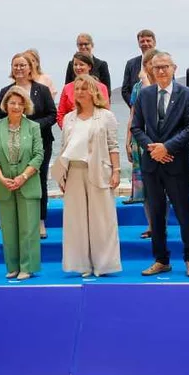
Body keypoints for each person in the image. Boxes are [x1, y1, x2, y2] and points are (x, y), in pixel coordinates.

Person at [131, 51, 189, 277]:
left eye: (165, 66)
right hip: (152, 164)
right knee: (157, 213)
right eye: (157, 67)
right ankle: (161, 259)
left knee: (184, 213)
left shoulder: (187, 94)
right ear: (151, 69)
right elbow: (136, 127)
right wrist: (153, 148)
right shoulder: (145, 95)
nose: (161, 70)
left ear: (174, 68)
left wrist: (167, 147)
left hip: (176, 163)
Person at [51, 75, 122, 277]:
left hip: (100, 171)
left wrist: (116, 171)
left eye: (84, 88)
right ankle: (81, 265)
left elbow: (113, 146)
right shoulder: (68, 118)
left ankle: (104, 265)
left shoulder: (105, 116)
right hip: (73, 171)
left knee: (102, 219)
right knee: (76, 221)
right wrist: (61, 175)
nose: (80, 92)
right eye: (77, 89)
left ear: (93, 91)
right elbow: (64, 147)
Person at [0, 53, 57, 239]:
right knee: (15, 179)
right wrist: (15, 125)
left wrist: (33, 127)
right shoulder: (5, 91)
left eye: (23, 65)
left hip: (40, 142)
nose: (19, 69)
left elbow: (52, 115)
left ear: (31, 68)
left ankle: (40, 221)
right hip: (12, 144)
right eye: (16, 65)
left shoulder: (42, 90)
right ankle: (19, 222)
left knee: (40, 180)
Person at [0, 86, 43, 279]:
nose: (16, 106)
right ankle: (12, 266)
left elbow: (38, 156)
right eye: (12, 103)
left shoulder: (33, 127)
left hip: (27, 183)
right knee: (8, 229)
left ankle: (27, 267)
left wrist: (23, 177)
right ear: (6, 105)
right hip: (4, 185)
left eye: (20, 103)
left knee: (28, 228)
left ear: (25, 106)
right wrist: (1, 178)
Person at [125, 48, 159, 241]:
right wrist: (128, 140)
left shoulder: (167, 86)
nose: (153, 68)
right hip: (141, 141)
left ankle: (161, 224)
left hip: (163, 142)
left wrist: (147, 81)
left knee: (162, 187)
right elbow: (133, 115)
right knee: (146, 187)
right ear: (145, 66)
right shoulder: (138, 88)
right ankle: (151, 225)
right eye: (149, 64)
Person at [56, 52, 110, 127]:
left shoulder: (101, 87)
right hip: (72, 132)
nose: (78, 67)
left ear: (89, 66)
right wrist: (67, 129)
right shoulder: (67, 88)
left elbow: (106, 112)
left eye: (81, 64)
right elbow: (61, 114)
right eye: (75, 65)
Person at [121, 29, 157, 106]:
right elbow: (125, 90)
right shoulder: (131, 64)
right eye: (142, 41)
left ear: (154, 42)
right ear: (138, 44)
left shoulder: (164, 61)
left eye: (148, 40)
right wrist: (135, 105)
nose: (145, 43)